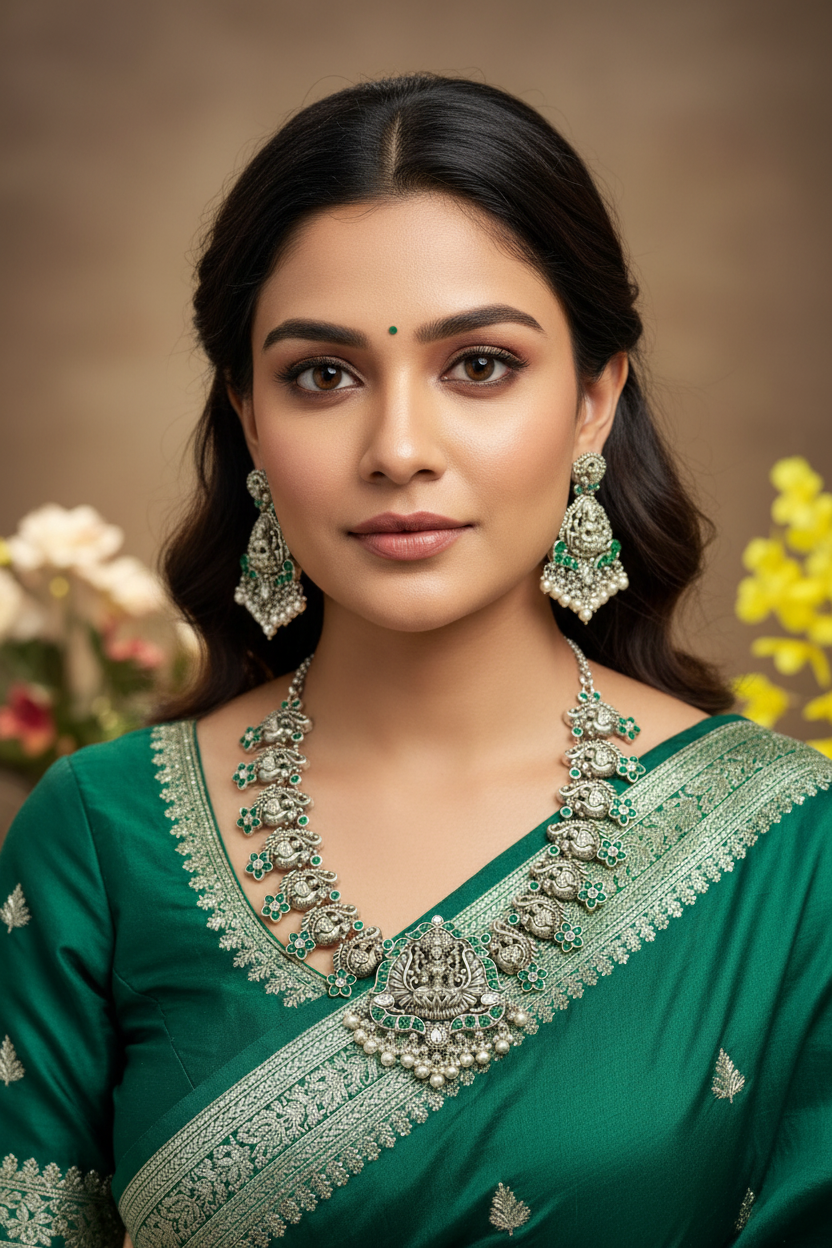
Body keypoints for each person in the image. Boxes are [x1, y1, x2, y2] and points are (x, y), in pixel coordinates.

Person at [0, 74, 829, 1248]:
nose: (397, 449)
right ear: (245, 413)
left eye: (479, 365)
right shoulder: (100, 838)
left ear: (596, 399)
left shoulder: (790, 850)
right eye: (321, 375)